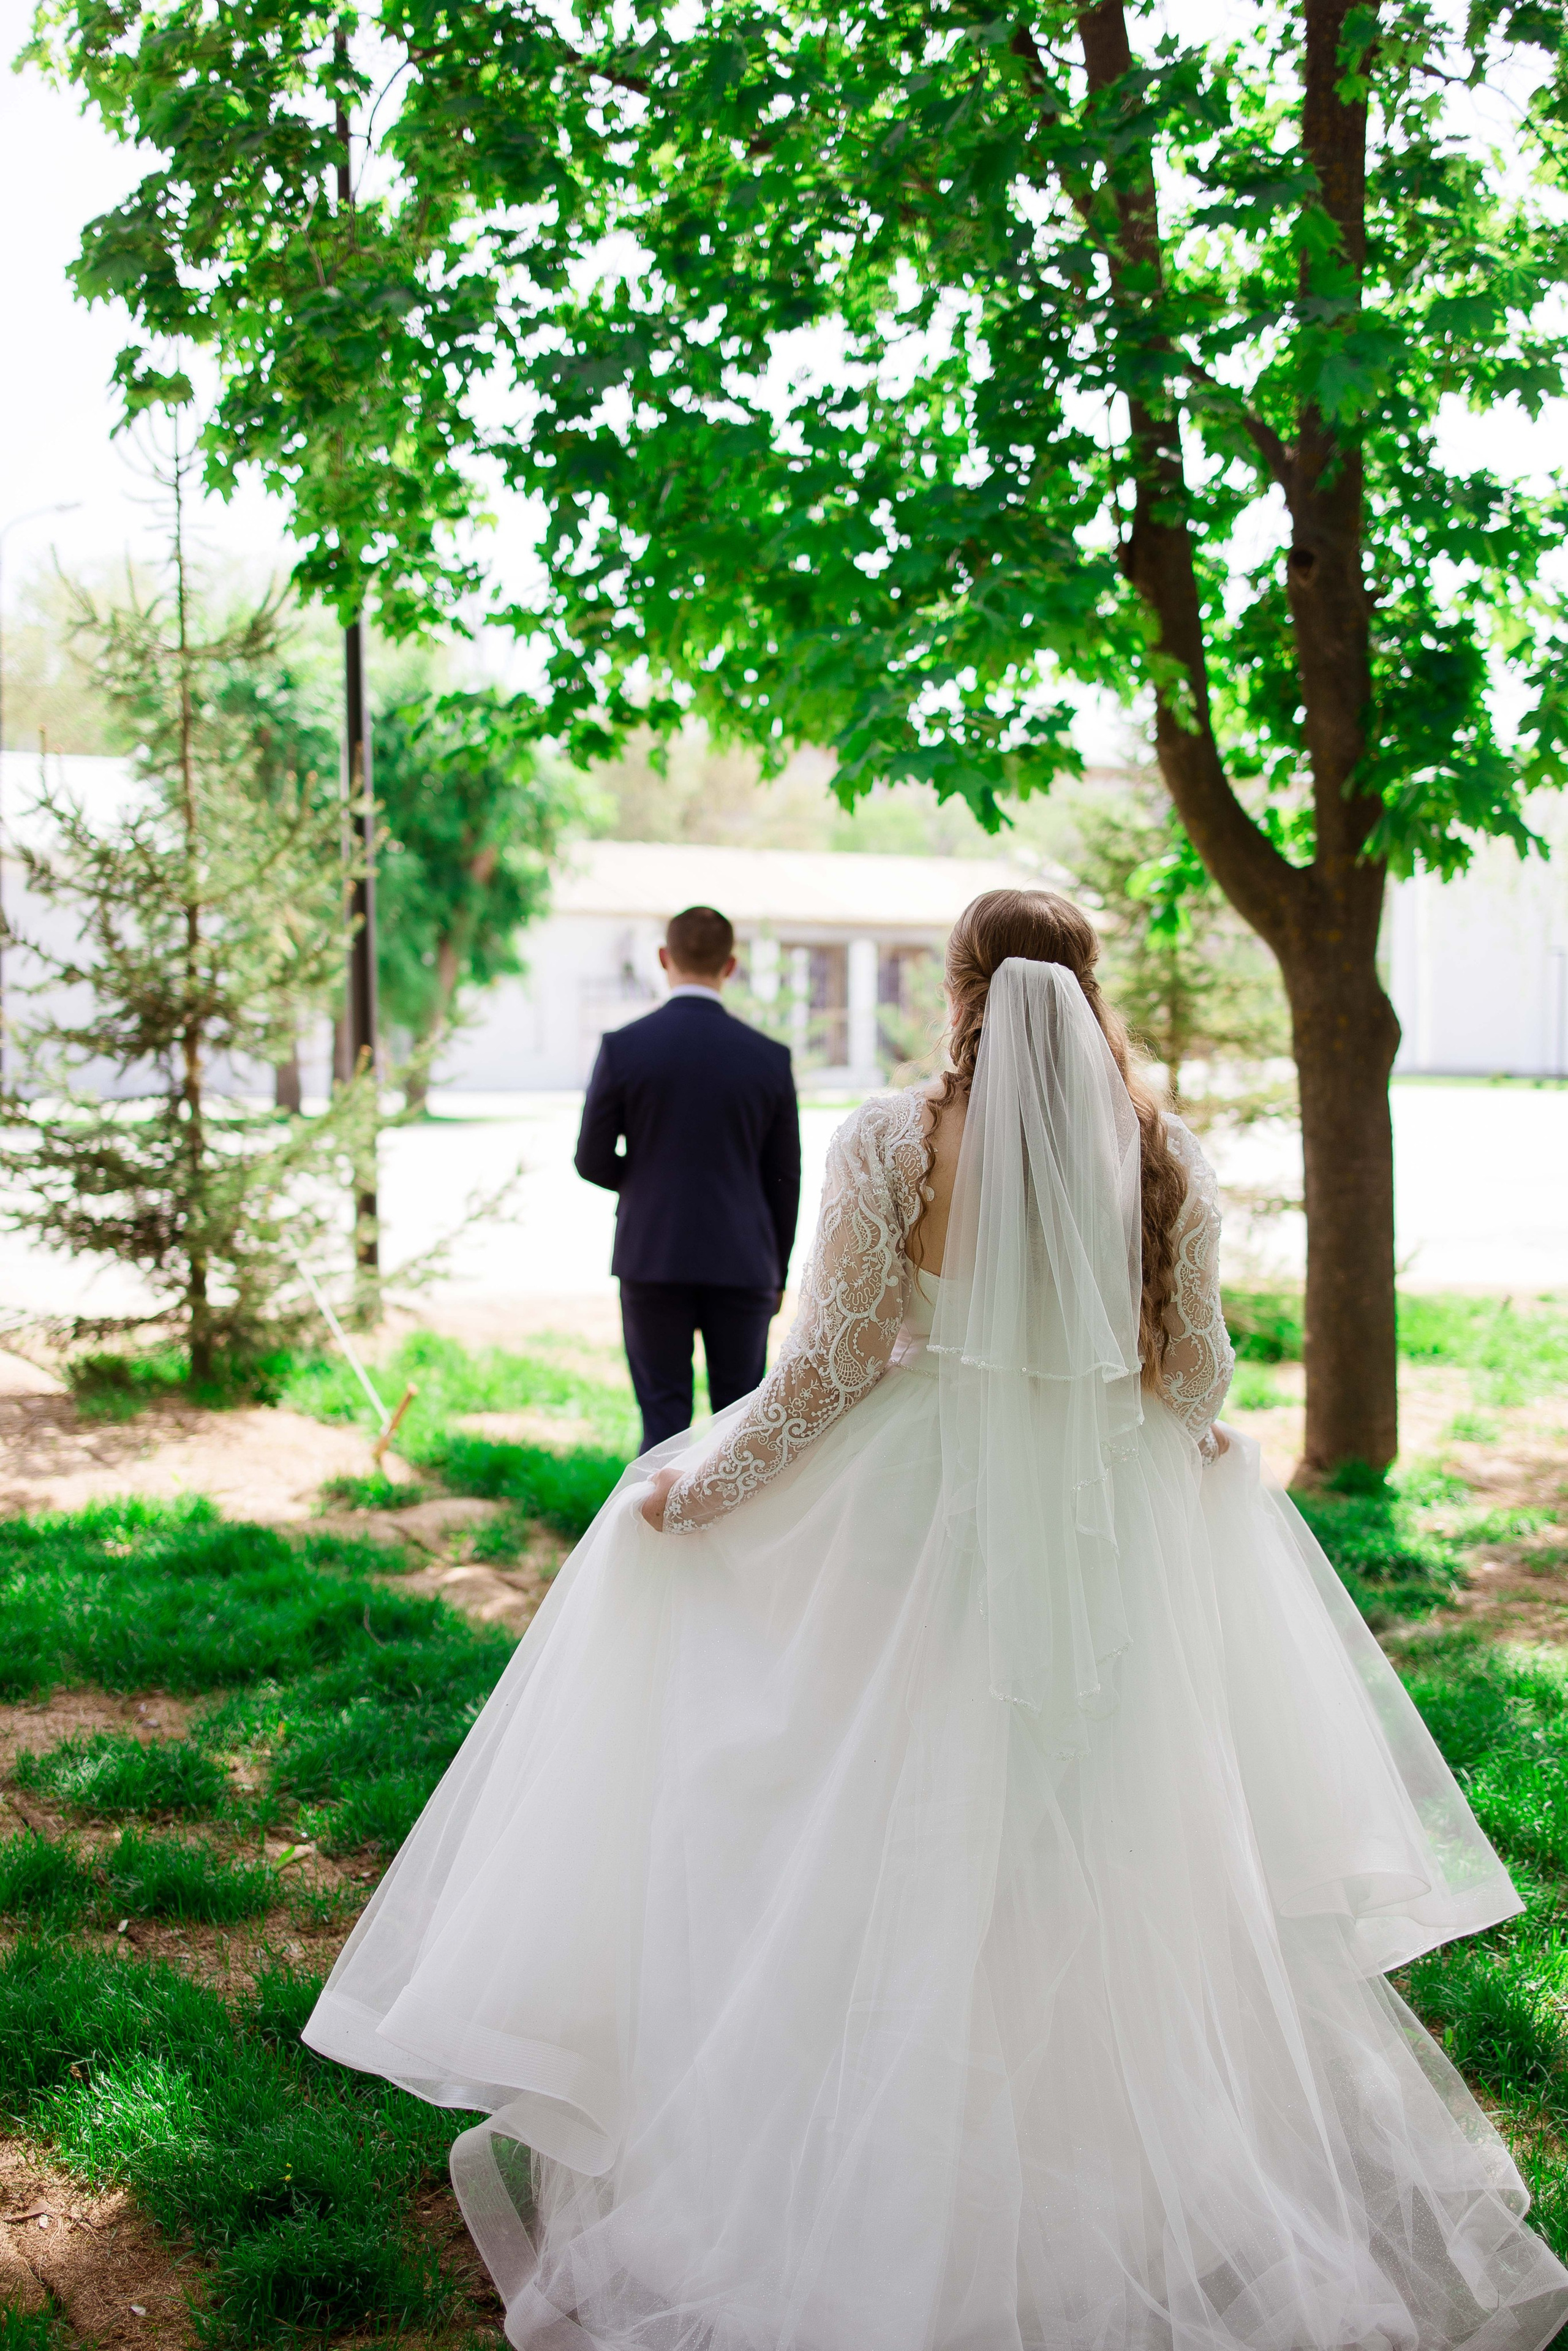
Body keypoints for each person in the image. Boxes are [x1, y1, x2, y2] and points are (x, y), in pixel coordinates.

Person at [304, 888, 1568, 2351]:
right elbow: (1198, 1379)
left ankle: (882, 2164)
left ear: (959, 987)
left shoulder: (893, 1139)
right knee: (1088, 1835)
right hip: (1110, 1524)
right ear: (1083, 989)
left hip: (925, 1514)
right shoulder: (1159, 1152)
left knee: (882, 1814)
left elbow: (829, 1366)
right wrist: (1168, 1422)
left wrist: (702, 1490)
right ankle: (1095, 2161)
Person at [573, 904, 801, 1454]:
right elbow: (784, 1181)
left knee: (662, 1427)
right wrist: (779, 1272)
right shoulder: (769, 1058)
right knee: (739, 1430)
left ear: (662, 959)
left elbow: (591, 1158)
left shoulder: (624, 1048)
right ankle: (734, 1539)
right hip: (745, 1264)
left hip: (653, 1255)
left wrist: (648, 1183)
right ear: (731, 967)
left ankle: (653, 1538)